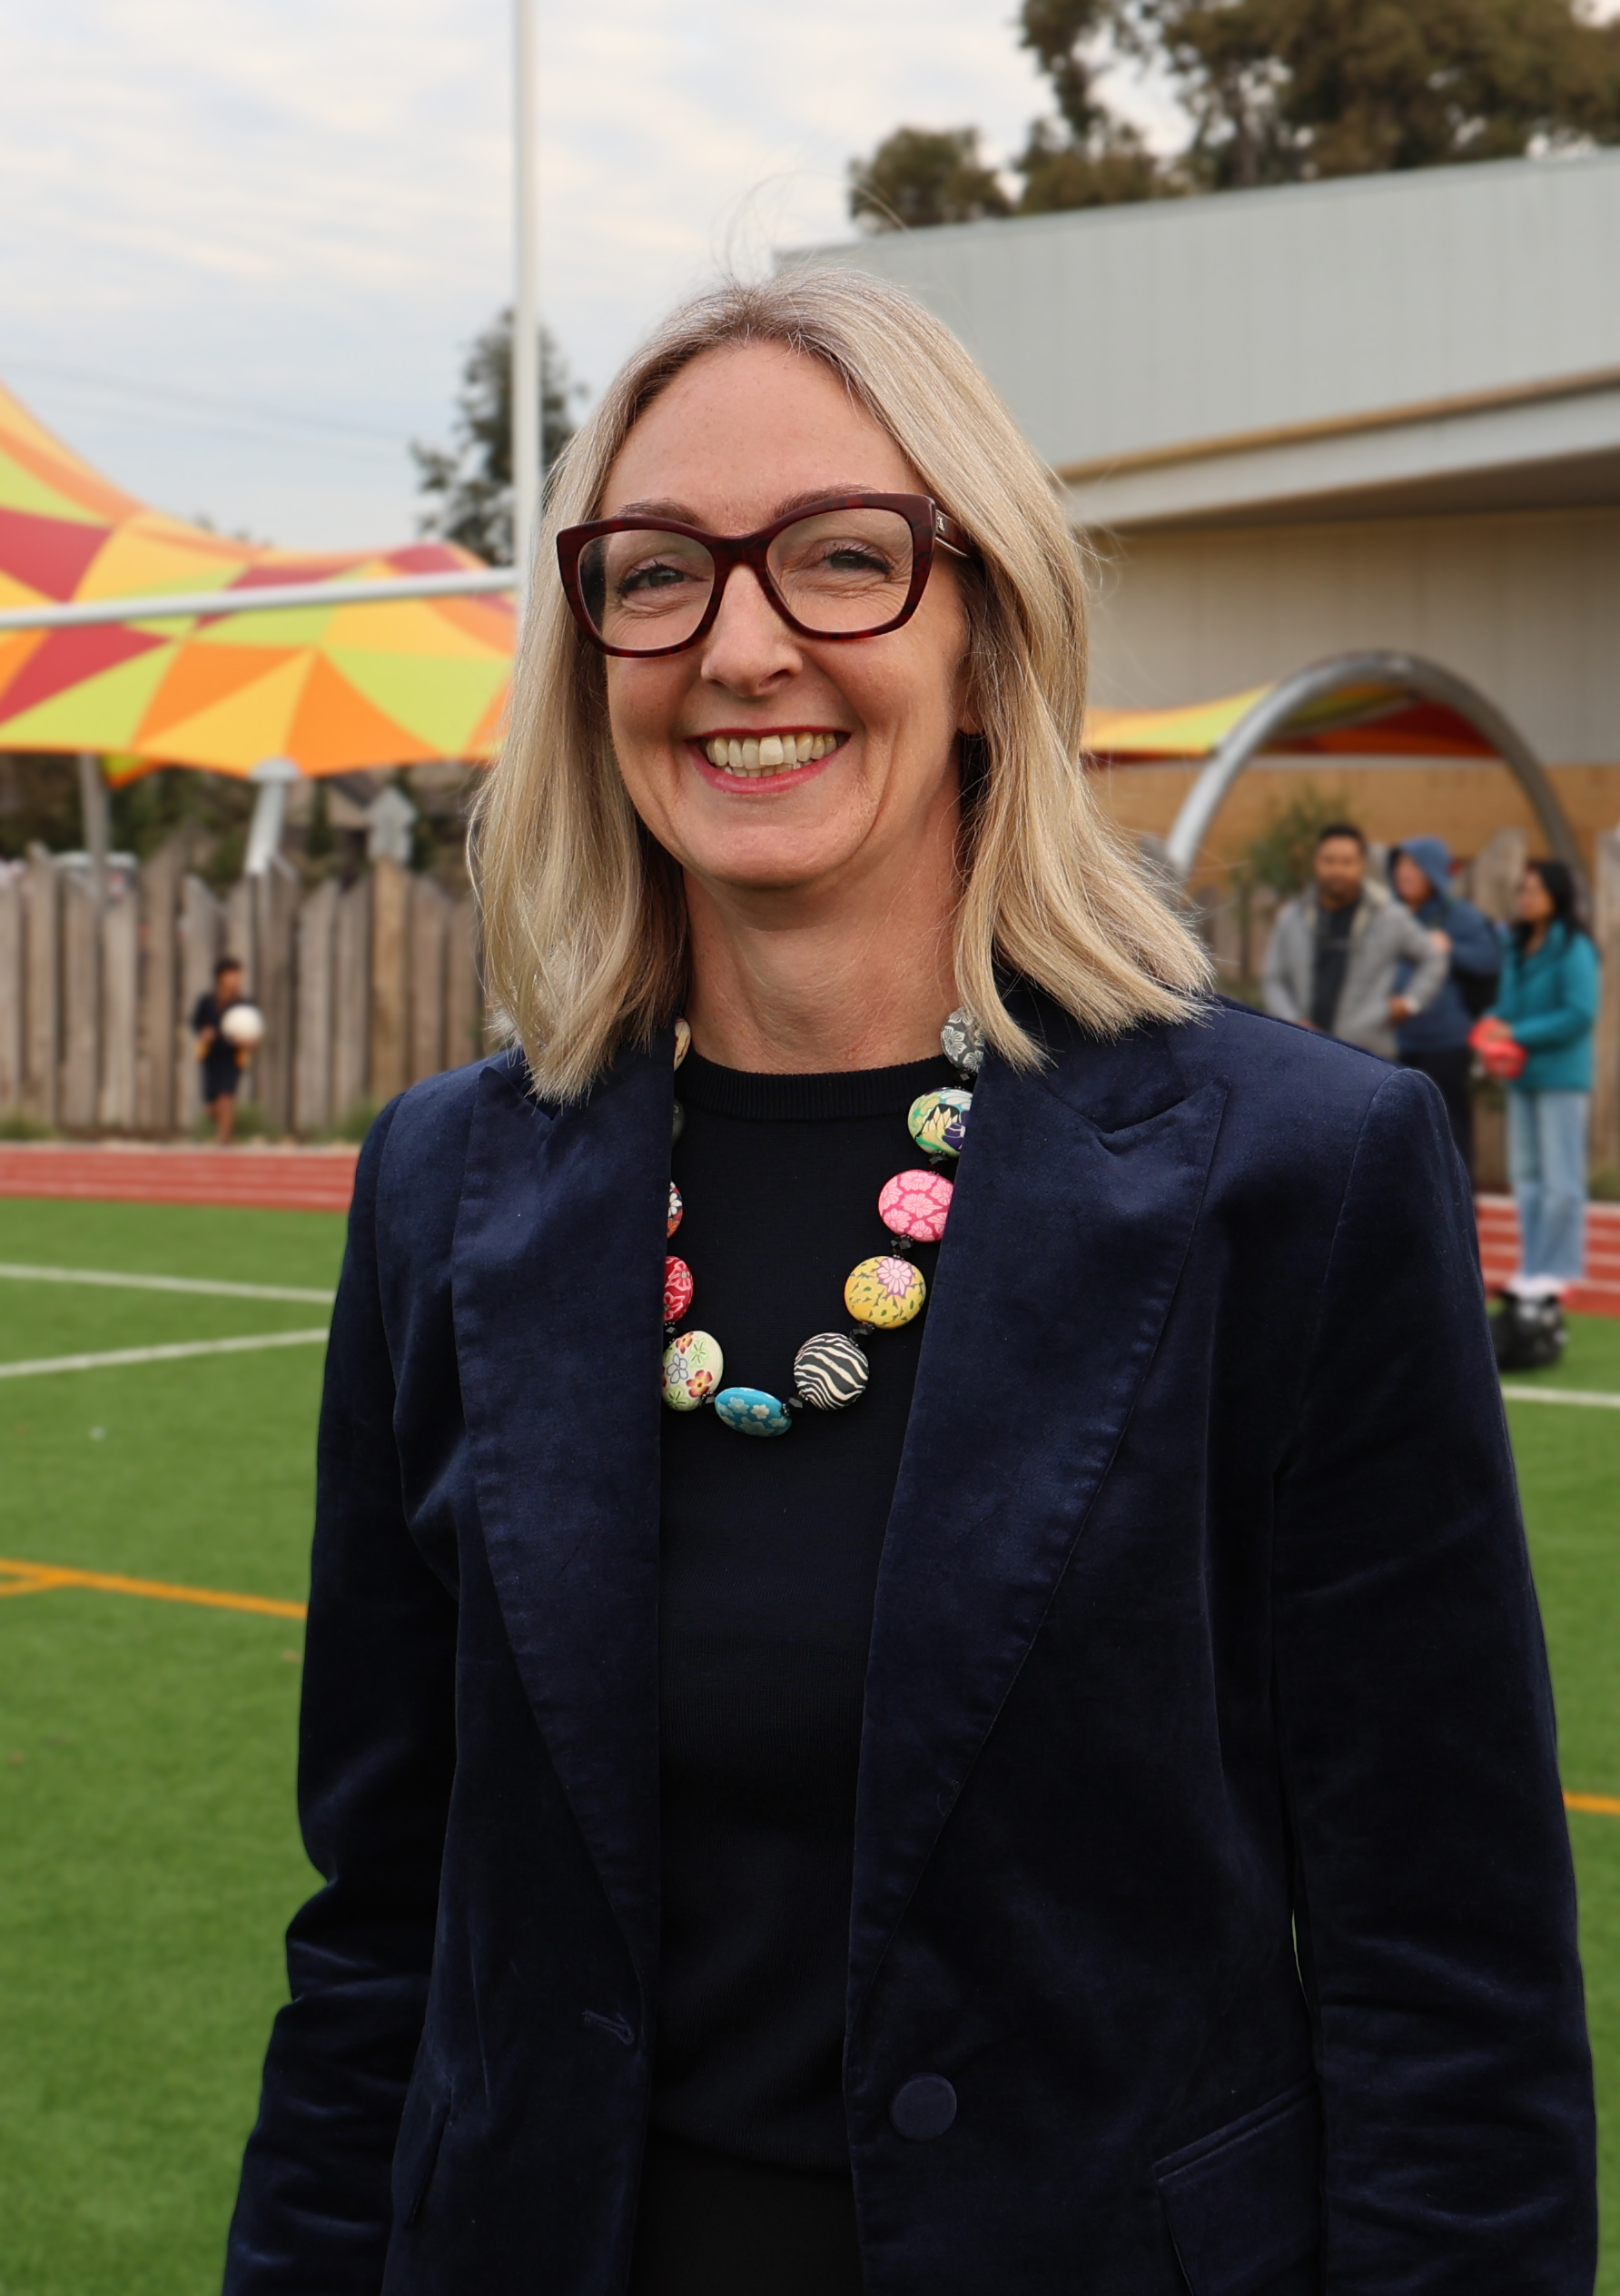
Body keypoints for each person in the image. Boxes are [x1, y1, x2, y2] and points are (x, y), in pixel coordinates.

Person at [223, 272, 1593, 2296]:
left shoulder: (1293, 1178)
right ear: (588, 643)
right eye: (659, 572)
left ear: (979, 638)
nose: (742, 643)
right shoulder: (450, 1186)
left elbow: (1445, 1986)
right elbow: (382, 1927)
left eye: (844, 559)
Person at [1488, 857, 1601, 1343]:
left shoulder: (1575, 947)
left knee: (1561, 1180)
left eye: (1535, 889)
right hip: (1522, 1075)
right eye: (1522, 889)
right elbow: (1508, 1007)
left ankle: (1558, 1270)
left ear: (1556, 893)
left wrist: (1517, 1033)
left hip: (1560, 1076)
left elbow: (1580, 1012)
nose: (1526, 897)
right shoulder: (1516, 944)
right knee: (1528, 1177)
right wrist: (1493, 1025)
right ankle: (1532, 1266)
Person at [1262, 821, 1447, 1057]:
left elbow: (1433, 958)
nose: (1337, 870)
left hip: (1368, 1056)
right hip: (1302, 1051)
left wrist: (1410, 1003)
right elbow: (1274, 979)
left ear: (1362, 865)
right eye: (1329, 861)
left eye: (1347, 862)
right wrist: (1291, 1021)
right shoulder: (1292, 917)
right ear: (1316, 863)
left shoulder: (1388, 916)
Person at [1388, 836, 1502, 1176]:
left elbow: (1491, 959)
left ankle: (1460, 1214)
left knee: (1450, 1129)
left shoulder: (1459, 916)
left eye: (1414, 865)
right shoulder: (1387, 914)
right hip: (1391, 1041)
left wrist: (1451, 947)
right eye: (1400, 864)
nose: (1404, 873)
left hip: (1444, 1043)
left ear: (1434, 872)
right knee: (1396, 1131)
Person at [192, 955, 248, 1145]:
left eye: (238, 976)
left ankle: (222, 1141)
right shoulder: (206, 1001)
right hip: (210, 1057)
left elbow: (254, 1033)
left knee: (226, 1098)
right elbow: (195, 1022)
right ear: (221, 977)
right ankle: (229, 1131)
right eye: (232, 975)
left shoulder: (244, 1005)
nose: (237, 980)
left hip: (232, 1057)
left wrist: (248, 1040)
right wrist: (203, 1031)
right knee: (211, 1107)